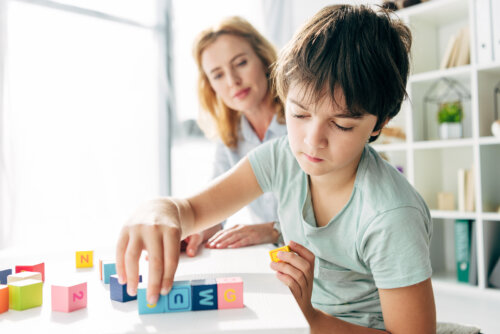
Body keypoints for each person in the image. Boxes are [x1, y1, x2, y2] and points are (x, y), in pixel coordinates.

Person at [116, 5, 436, 333]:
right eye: (299, 114)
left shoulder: (391, 216)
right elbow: (191, 209)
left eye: (340, 124)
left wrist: (309, 317)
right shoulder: (281, 156)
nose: (313, 142)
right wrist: (159, 209)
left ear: (378, 123)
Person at [182, 16, 287, 257]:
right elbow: (216, 207)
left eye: (240, 63)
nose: (232, 81)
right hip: (277, 261)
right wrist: (199, 231)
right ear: (210, 86)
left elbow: (333, 209)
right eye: (218, 75)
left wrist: (274, 230)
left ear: (263, 58)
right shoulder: (231, 137)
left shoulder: (302, 119)